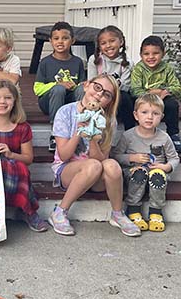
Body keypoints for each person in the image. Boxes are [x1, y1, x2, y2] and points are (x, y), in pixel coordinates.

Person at [49, 74, 141, 237]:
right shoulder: (65, 112)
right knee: (93, 165)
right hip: (67, 171)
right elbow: (63, 155)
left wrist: (92, 139)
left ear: (110, 101)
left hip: (96, 174)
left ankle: (117, 214)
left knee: (111, 164)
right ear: (86, 85)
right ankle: (60, 212)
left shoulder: (108, 120)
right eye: (97, 87)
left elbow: (102, 159)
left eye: (106, 94)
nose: (99, 94)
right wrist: (79, 130)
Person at [0, 80, 50, 232]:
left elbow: (28, 158)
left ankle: (28, 211)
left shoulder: (23, 127)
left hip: (13, 173)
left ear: (14, 102)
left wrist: (10, 154)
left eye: (7, 98)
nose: (2, 102)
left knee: (20, 167)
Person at [113, 93, 179, 232]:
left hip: (156, 176)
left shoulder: (164, 137)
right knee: (139, 173)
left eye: (155, 113)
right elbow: (116, 155)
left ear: (161, 117)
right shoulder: (128, 136)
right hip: (134, 174)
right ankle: (133, 208)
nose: (150, 117)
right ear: (136, 115)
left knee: (157, 175)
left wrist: (166, 166)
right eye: (144, 112)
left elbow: (174, 158)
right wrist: (132, 158)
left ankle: (156, 211)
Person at [34, 21, 86, 152]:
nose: (60, 42)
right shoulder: (45, 62)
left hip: (69, 103)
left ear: (73, 41)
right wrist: (57, 84)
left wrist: (76, 86)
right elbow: (37, 89)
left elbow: (81, 86)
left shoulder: (78, 62)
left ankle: (79, 130)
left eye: (65, 38)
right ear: (50, 41)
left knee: (81, 90)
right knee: (59, 89)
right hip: (49, 102)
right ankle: (55, 134)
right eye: (56, 38)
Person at [130, 35, 181, 154]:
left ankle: (173, 135)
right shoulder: (138, 69)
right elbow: (135, 89)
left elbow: (178, 88)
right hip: (143, 99)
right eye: (146, 54)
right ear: (141, 55)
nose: (151, 57)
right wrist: (149, 94)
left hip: (162, 98)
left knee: (172, 105)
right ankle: (135, 135)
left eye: (155, 53)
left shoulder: (167, 69)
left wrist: (164, 91)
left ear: (163, 54)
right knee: (131, 102)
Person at [88, 25, 135, 130]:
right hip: (98, 93)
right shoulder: (94, 60)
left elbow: (125, 86)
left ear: (121, 42)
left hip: (118, 95)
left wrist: (110, 92)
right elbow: (91, 81)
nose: (108, 45)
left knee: (125, 98)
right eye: (103, 43)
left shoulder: (127, 62)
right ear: (99, 46)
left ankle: (130, 130)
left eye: (112, 41)